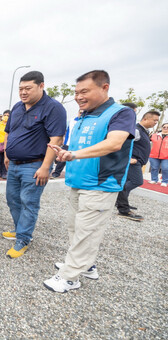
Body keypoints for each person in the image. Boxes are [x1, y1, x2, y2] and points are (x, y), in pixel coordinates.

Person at [43, 70, 136, 293]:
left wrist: (74, 155)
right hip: (79, 181)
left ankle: (69, 278)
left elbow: (114, 144)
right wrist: (65, 151)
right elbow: (80, 147)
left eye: (84, 91)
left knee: (86, 231)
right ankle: (86, 265)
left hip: (101, 184)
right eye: (76, 92)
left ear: (104, 88)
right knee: (76, 228)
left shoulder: (120, 113)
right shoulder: (84, 115)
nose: (78, 96)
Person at [3, 71, 66, 258]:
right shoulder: (17, 107)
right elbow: (8, 132)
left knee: (28, 202)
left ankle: (23, 239)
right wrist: (7, 153)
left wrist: (46, 166)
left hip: (34, 164)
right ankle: (19, 229)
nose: (23, 92)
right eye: (21, 89)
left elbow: (56, 138)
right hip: (13, 163)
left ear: (41, 86)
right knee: (12, 199)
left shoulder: (53, 108)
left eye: (27, 88)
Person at [116, 110, 160, 221]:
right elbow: (122, 143)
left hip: (138, 161)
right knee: (136, 181)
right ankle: (121, 204)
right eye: (154, 120)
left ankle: (123, 202)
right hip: (133, 161)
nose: (156, 122)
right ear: (145, 119)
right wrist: (128, 158)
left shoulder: (144, 131)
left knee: (127, 182)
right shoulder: (136, 130)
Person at [50, 111, 82, 179]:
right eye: (80, 112)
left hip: (78, 144)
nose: (81, 114)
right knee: (62, 159)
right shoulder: (71, 121)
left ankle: (75, 175)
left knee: (77, 159)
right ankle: (56, 173)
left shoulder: (86, 121)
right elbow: (64, 130)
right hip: (68, 143)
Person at [149, 122, 168, 187]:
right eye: (164, 127)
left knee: (165, 168)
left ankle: (165, 181)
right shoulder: (154, 135)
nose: (165, 128)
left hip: (166, 157)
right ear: (162, 128)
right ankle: (154, 180)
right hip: (154, 155)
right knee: (154, 168)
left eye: (167, 127)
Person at [0, 110, 9, 179]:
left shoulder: (10, 125)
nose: (6, 117)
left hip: (7, 144)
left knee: (5, 159)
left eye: (8, 116)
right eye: (5, 115)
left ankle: (4, 173)